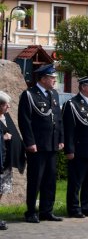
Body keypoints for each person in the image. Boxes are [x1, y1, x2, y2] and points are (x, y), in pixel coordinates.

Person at [18, 63, 64, 223]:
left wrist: (60, 139)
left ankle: (47, 211)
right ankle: (31, 211)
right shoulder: (29, 95)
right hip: (37, 145)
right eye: (52, 78)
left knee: (50, 180)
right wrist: (30, 142)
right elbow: (25, 121)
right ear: (43, 79)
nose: (54, 81)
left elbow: (58, 119)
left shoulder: (54, 95)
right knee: (35, 179)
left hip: (52, 144)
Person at [62, 75, 88, 218]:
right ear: (83, 87)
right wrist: (69, 149)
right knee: (76, 181)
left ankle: (87, 206)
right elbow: (68, 129)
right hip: (80, 150)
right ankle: (74, 208)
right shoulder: (72, 104)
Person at [0, 91, 26, 230]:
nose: (8, 107)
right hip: (0, 160)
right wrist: (2, 138)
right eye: (5, 104)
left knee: (1, 190)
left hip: (5, 162)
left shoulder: (5, 117)